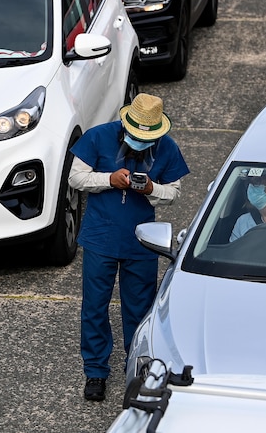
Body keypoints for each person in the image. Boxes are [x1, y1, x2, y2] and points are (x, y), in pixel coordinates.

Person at [68, 93, 189, 402]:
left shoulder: (168, 148)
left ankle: (136, 371)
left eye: (146, 138)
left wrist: (151, 189)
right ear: (125, 125)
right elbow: (76, 177)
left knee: (139, 310)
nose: (139, 142)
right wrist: (110, 179)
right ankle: (95, 371)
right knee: (94, 307)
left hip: (141, 241)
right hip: (100, 237)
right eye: (135, 136)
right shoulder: (98, 137)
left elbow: (173, 193)